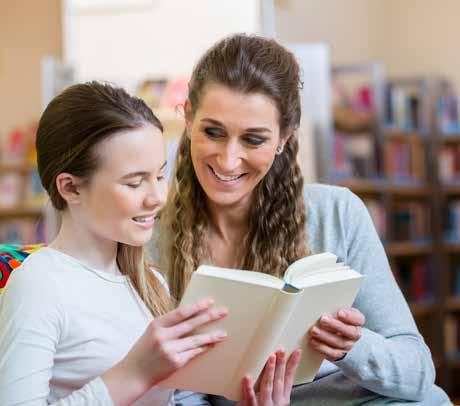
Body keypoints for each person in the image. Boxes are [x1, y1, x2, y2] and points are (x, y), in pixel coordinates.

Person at [151, 34, 451, 405]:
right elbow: (175, 392)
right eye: (213, 132)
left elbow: (417, 372)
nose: (228, 160)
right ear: (188, 117)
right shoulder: (151, 238)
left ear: (284, 137)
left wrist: (352, 346)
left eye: (253, 140)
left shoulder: (338, 213)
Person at [0, 81, 301, 405]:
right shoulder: (39, 285)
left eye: (159, 176)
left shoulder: (151, 282)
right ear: (71, 188)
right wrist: (134, 374)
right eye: (134, 183)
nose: (158, 197)